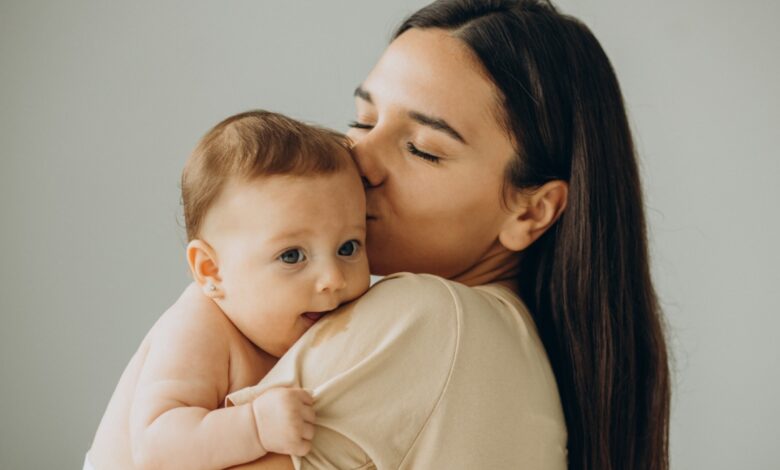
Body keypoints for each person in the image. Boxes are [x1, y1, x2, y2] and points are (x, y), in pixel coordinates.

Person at [229, 1, 670, 469]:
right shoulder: (515, 351)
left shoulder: (431, 320)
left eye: (422, 149)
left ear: (531, 212)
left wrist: (211, 300)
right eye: (363, 121)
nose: (359, 159)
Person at [87, 111, 371, 469]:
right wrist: (254, 426)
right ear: (211, 271)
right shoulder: (199, 327)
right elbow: (155, 449)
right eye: (292, 255)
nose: (333, 278)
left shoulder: (311, 323)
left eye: (348, 247)